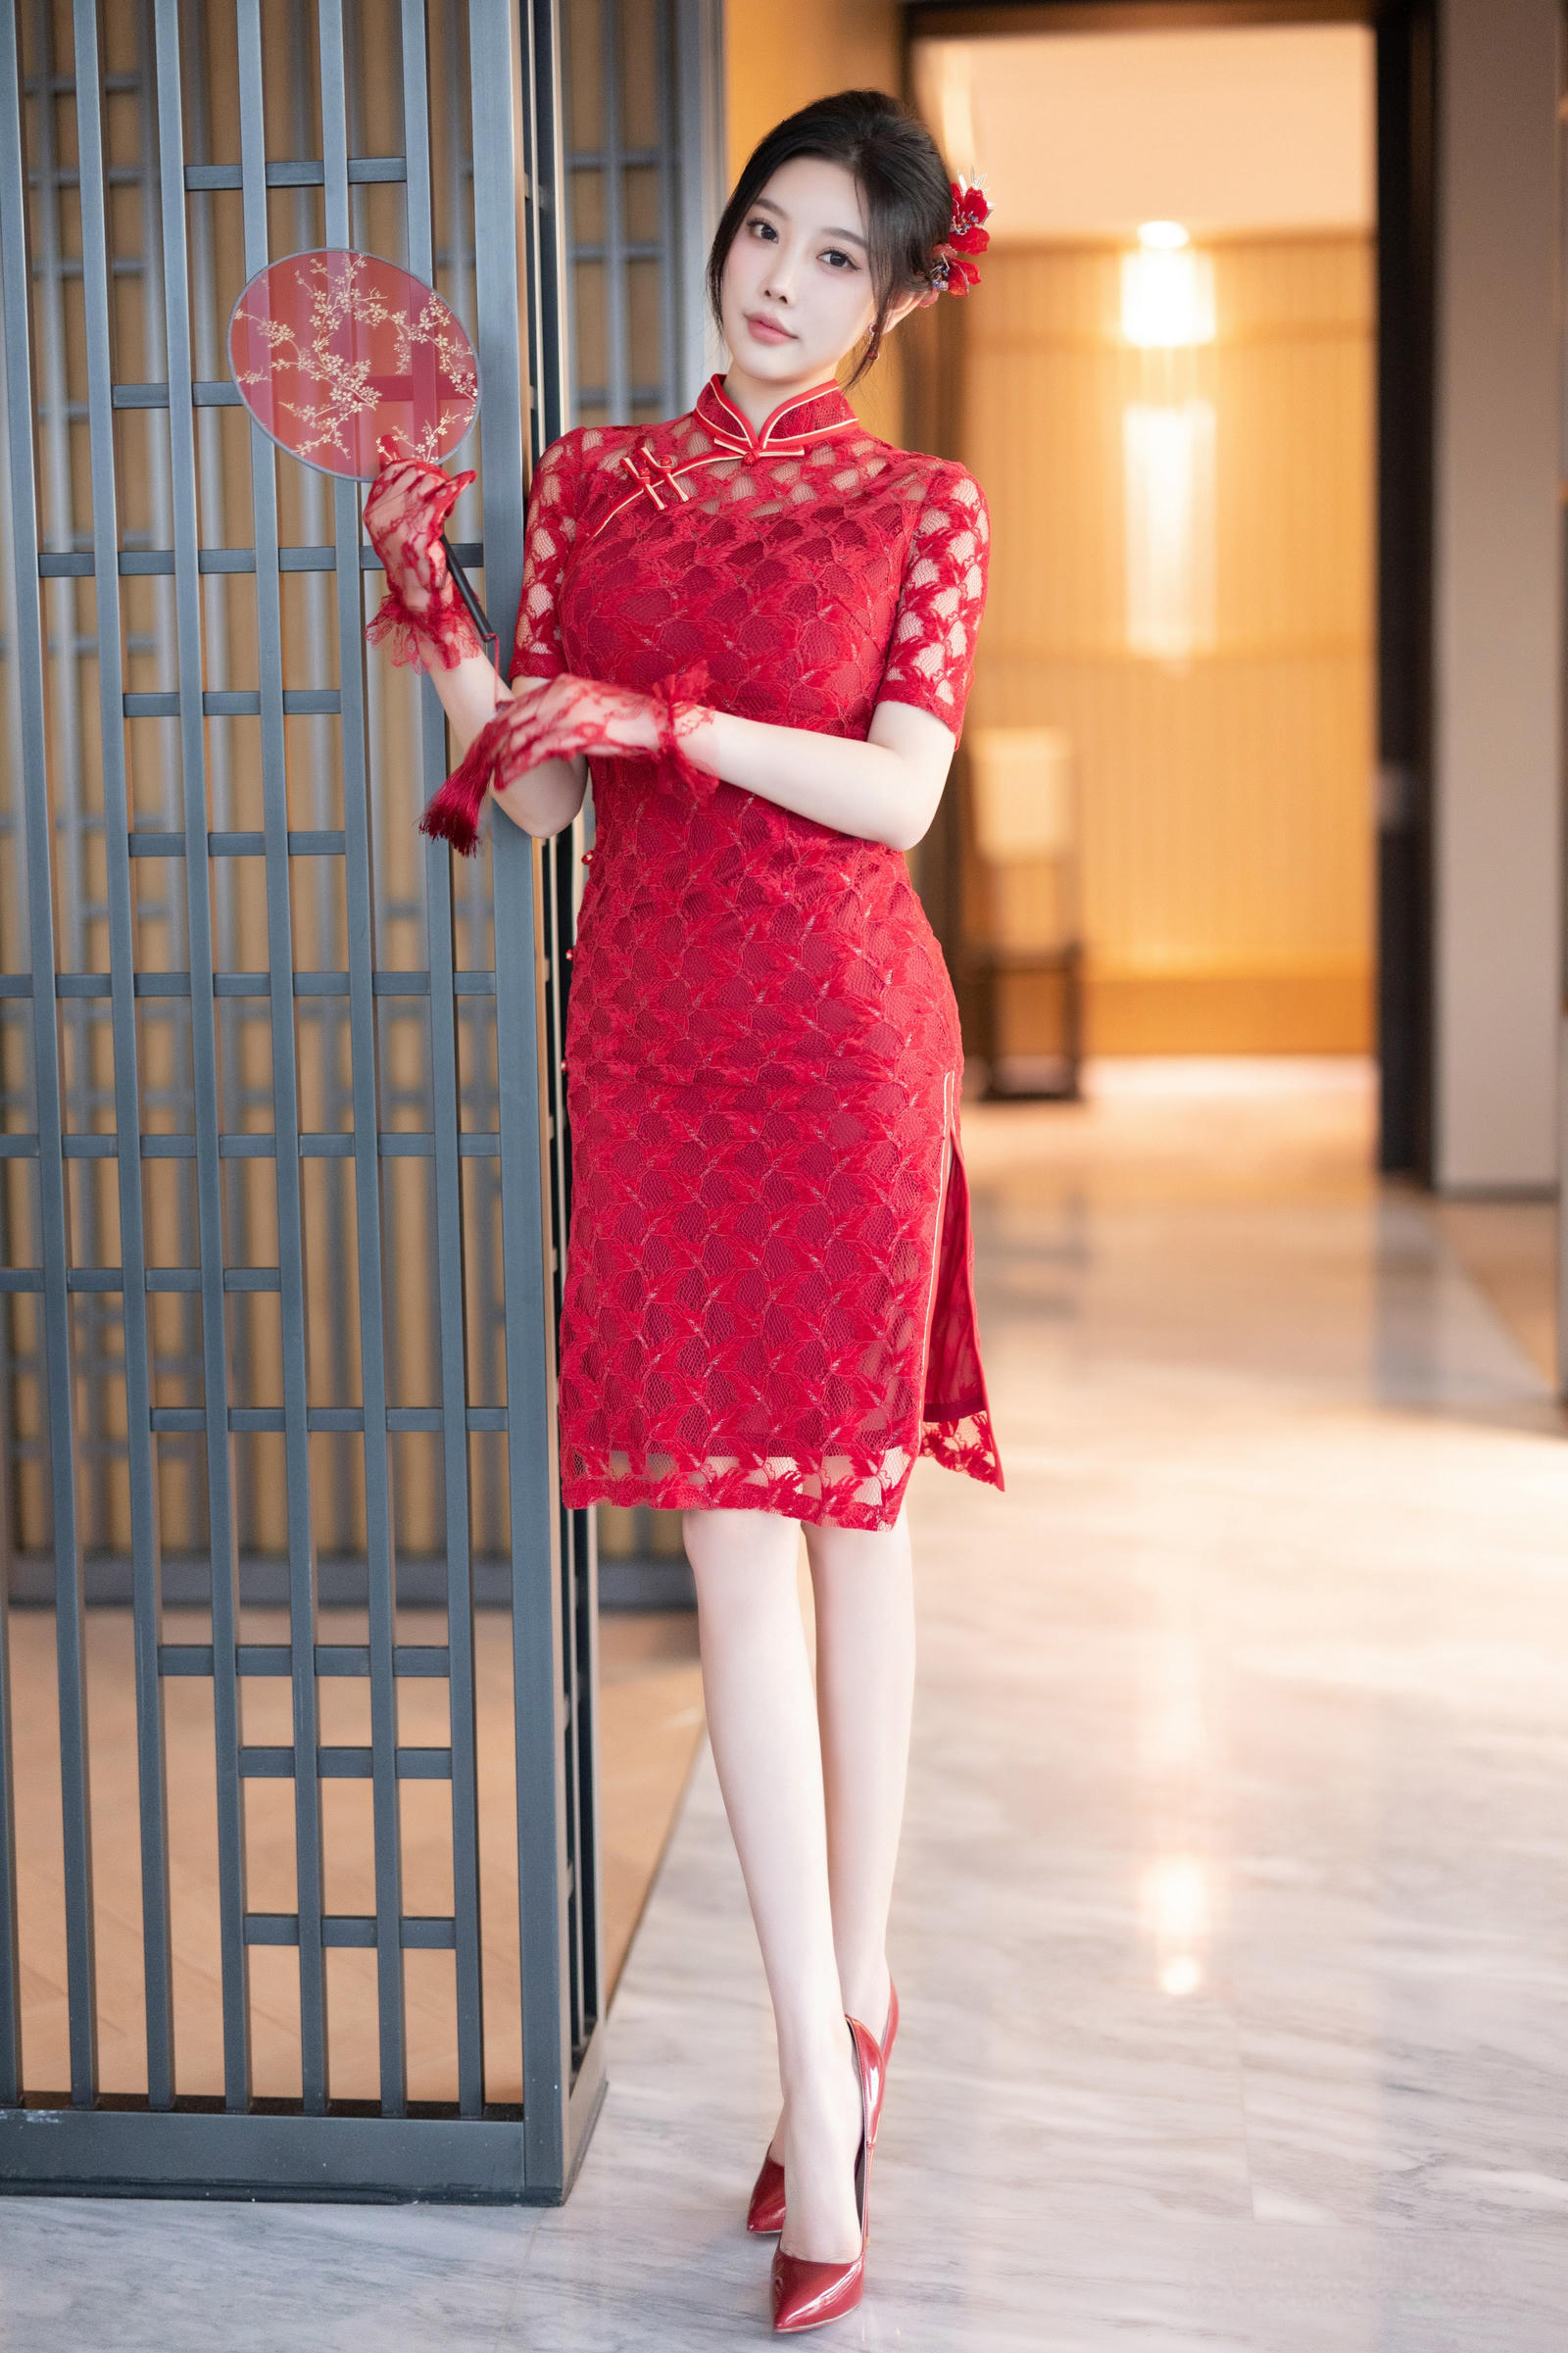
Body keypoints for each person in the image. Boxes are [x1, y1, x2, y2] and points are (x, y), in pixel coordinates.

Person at [363, 89, 1001, 2334]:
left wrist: (679, 723)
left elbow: (897, 796)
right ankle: (821, 2060)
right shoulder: (592, 484)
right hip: (651, 1052)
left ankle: (841, 2039)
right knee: (736, 1555)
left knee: (850, 1531)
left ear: (894, 300)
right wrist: (440, 616)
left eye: (837, 258)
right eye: (765, 232)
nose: (781, 282)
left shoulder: (921, 509)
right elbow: (542, 799)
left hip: (841, 1050)